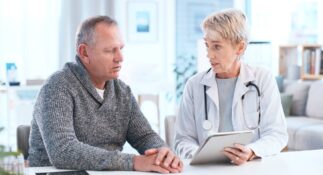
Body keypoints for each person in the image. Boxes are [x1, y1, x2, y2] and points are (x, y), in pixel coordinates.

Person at [28, 16, 183, 173]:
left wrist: (162, 153)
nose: (120, 58)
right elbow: (63, 151)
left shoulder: (122, 92)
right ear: (84, 52)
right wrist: (134, 161)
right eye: (110, 50)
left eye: (121, 49)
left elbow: (145, 136)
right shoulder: (57, 86)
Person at [174, 9, 288, 165]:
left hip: (249, 168)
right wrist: (200, 155)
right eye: (207, 45)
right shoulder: (194, 85)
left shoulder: (262, 79)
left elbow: (276, 134)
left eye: (216, 47)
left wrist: (252, 151)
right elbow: (183, 140)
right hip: (207, 169)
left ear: (240, 48)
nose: (209, 54)